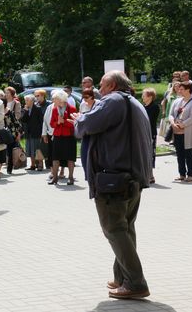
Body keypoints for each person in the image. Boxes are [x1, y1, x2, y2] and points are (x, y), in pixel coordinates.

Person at [73, 70, 152, 300]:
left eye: (101, 85)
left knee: (114, 229)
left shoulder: (113, 101)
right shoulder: (133, 102)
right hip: (133, 177)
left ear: (112, 85)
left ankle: (135, 283)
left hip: (114, 179)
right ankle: (123, 277)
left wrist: (81, 120)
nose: (99, 90)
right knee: (125, 228)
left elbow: (86, 125)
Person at [169, 81, 192, 182]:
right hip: (177, 132)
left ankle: (190, 175)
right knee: (179, 154)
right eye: (179, 89)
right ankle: (181, 174)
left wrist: (182, 124)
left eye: (181, 89)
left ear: (188, 90)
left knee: (189, 154)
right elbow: (171, 114)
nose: (179, 90)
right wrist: (172, 123)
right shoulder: (177, 101)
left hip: (187, 132)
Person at [49, 90, 77, 185]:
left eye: (55, 99)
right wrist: (57, 122)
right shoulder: (54, 109)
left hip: (69, 136)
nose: (53, 100)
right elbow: (51, 124)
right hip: (57, 136)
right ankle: (55, 178)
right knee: (55, 157)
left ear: (61, 99)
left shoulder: (72, 109)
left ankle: (71, 177)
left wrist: (63, 121)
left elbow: (74, 124)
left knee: (70, 158)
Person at [141, 88, 160, 183]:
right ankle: (149, 175)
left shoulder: (155, 107)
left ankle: (150, 176)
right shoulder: (142, 107)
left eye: (144, 95)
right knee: (144, 154)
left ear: (150, 97)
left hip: (150, 133)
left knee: (150, 154)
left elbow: (149, 120)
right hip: (142, 133)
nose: (142, 97)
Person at [21, 94, 44, 170]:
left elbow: (41, 121)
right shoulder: (25, 109)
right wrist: (26, 111)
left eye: (27, 100)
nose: (26, 102)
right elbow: (23, 120)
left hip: (36, 132)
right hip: (28, 132)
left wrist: (42, 133)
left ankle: (40, 164)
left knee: (37, 149)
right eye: (25, 100)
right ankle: (33, 165)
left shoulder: (37, 108)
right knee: (30, 149)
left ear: (32, 101)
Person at [3, 86, 23, 174]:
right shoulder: (3, 102)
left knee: (11, 148)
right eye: (5, 93)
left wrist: (10, 114)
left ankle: (10, 166)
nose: (6, 94)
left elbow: (18, 116)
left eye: (7, 93)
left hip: (13, 128)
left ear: (12, 94)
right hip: (4, 126)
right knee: (5, 148)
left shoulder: (16, 103)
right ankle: (6, 163)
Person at [79, 89, 97, 180]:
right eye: (83, 97)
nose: (84, 100)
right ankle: (87, 175)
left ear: (92, 96)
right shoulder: (82, 105)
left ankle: (94, 174)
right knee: (84, 155)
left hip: (95, 134)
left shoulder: (98, 104)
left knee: (94, 155)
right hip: (86, 133)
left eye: (86, 97)